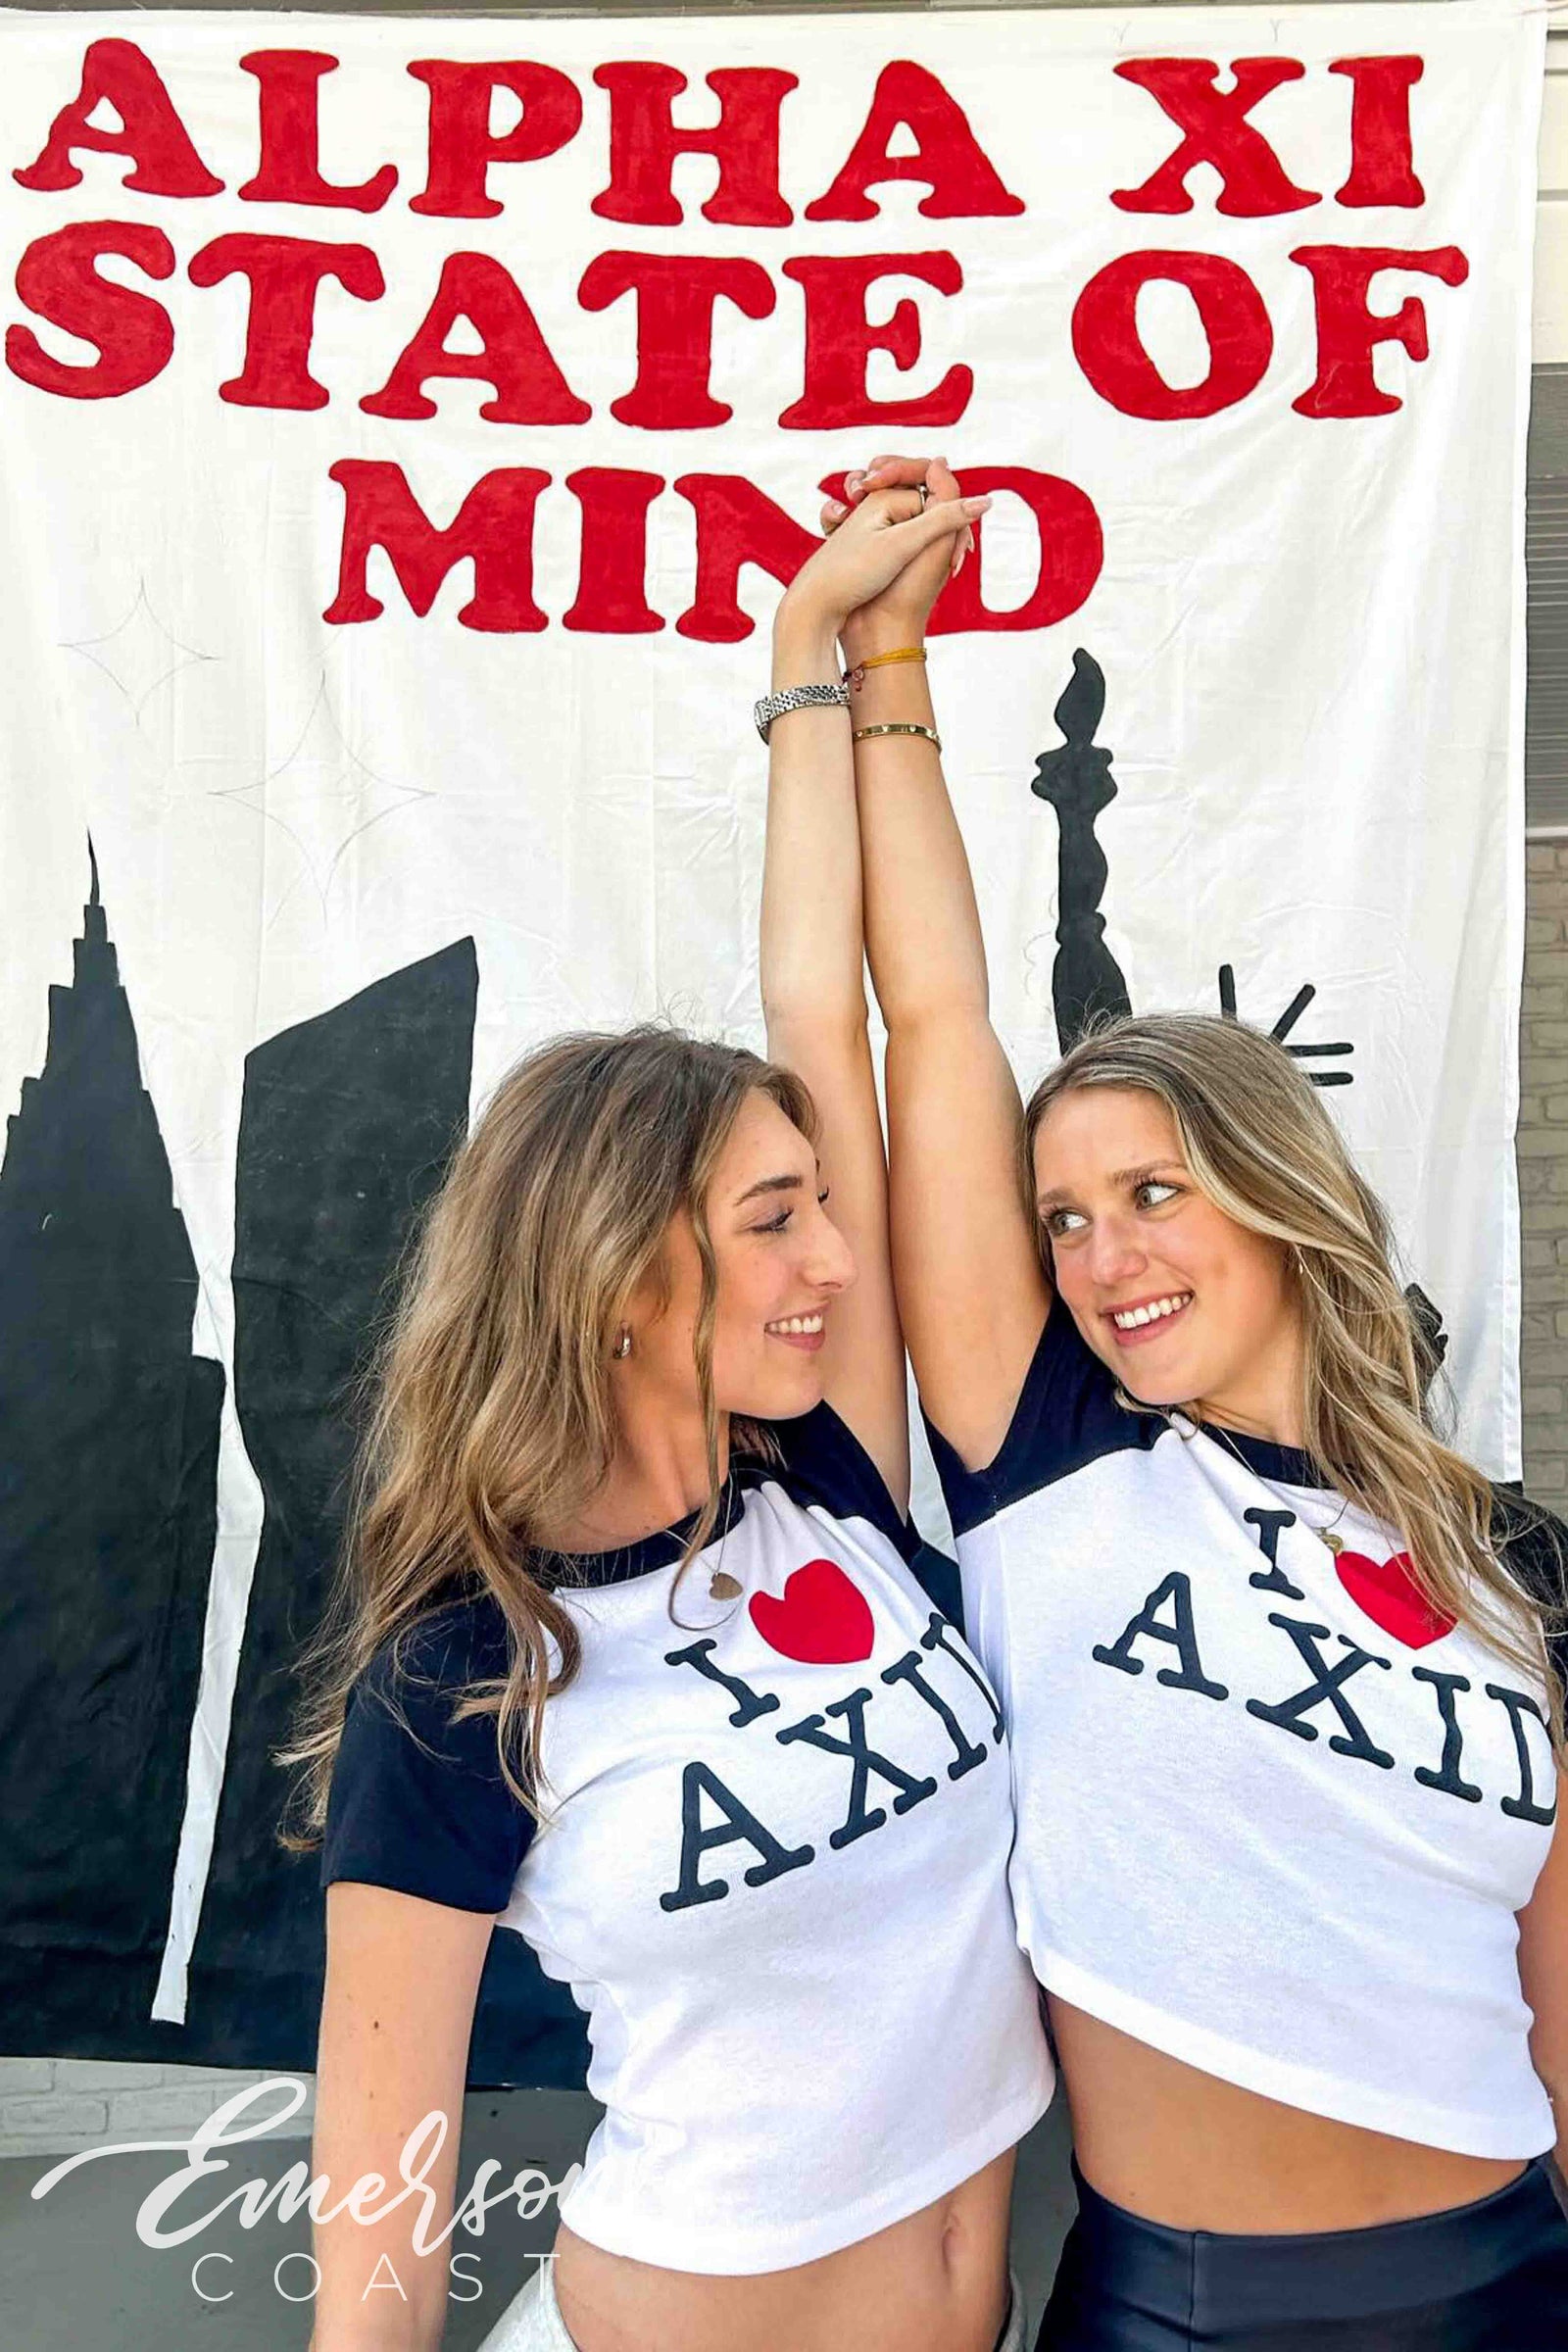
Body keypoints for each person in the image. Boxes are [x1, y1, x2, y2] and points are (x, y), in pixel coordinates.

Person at [288, 475, 1053, 2352]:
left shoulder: (822, 1483)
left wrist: (839, 654)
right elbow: (384, 2177)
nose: (839, 1260)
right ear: (618, 1277)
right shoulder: (464, 1673)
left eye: (822, 1205)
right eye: (775, 1221)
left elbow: (836, 1015)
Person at [821, 452, 1568, 2348]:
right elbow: (935, 1019)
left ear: (1280, 1198)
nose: (1103, 1255)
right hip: (1178, 2311)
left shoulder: (1523, 1564)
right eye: (1064, 1218)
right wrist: (886, 668)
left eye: (1155, 1193)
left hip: (1512, 2286)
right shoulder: (1055, 1461)